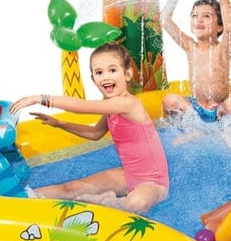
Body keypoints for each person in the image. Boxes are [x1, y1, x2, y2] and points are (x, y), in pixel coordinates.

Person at [9, 42, 169, 214]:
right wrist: (60, 123)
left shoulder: (128, 104)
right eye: (99, 72)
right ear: (93, 79)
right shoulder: (112, 107)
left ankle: (107, 202)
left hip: (153, 182)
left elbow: (81, 106)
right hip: (128, 175)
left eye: (112, 70)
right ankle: (19, 199)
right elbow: (95, 133)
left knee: (137, 203)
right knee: (72, 188)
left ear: (127, 74)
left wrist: (41, 98)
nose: (105, 77)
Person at [161, 0, 231, 121]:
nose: (198, 20)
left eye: (206, 16)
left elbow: (230, 27)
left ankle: (223, 129)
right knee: (169, 100)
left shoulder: (222, 49)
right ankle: (192, 127)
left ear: (220, 26)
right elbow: (165, 19)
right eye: (194, 15)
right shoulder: (190, 46)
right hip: (194, 108)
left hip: (220, 107)